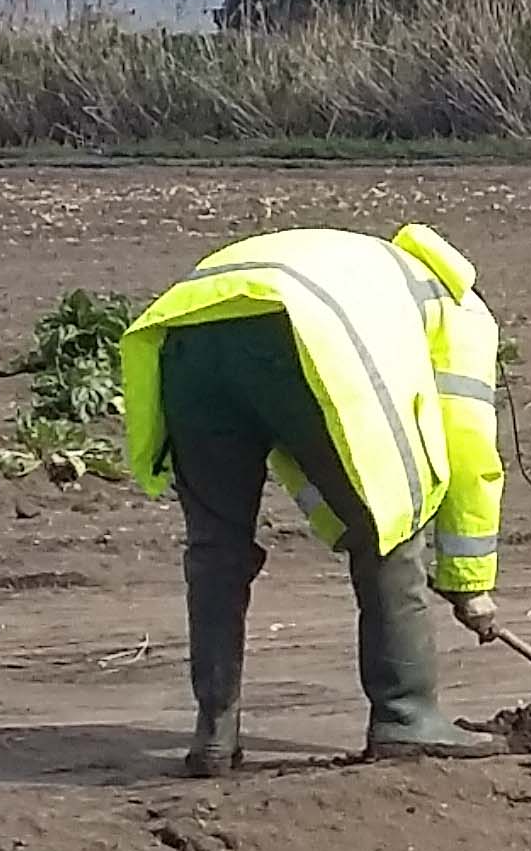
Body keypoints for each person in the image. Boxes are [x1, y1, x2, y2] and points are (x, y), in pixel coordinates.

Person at [118, 223, 509, 774]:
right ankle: (406, 714)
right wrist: (471, 585)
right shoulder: (461, 311)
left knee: (216, 550)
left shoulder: (369, 269)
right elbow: (466, 446)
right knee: (392, 522)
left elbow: (293, 442)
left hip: (187, 332)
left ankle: (214, 732)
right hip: (293, 328)